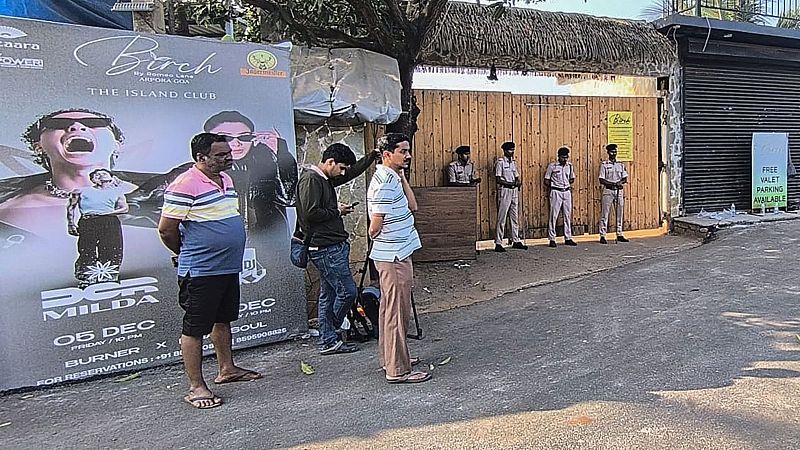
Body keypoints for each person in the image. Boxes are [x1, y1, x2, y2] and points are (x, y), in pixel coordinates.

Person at [158, 133, 262, 410]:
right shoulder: (185, 184)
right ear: (201, 157)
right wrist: (183, 252)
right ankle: (196, 387)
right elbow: (167, 229)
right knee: (195, 327)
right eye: (220, 155)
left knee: (222, 319)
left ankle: (226, 369)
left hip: (226, 267)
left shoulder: (226, 180)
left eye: (228, 153)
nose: (228, 157)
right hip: (201, 269)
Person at [296, 143, 380, 355]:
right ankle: (332, 327)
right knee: (347, 292)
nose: (342, 173)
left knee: (329, 295)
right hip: (325, 248)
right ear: (329, 162)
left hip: (331, 246)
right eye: (340, 167)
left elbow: (348, 174)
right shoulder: (311, 180)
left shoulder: (323, 179)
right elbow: (310, 213)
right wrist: (337, 210)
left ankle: (328, 341)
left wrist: (371, 156)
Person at [0, 109, 138, 236]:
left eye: (94, 123)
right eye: (58, 124)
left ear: (116, 144)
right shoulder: (10, 209)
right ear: (38, 147)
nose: (77, 127)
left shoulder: (153, 197)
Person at [367, 132, 430, 384]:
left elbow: (413, 206)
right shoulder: (384, 182)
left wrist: (402, 178)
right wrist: (378, 238)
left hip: (398, 253)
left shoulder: (391, 178)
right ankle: (397, 370)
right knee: (395, 312)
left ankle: (391, 359)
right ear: (387, 154)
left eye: (407, 150)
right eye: (402, 151)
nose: (408, 155)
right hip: (393, 256)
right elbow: (374, 226)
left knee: (391, 310)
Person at [203, 111, 297, 235]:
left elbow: (289, 199)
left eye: (244, 137)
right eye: (225, 137)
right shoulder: (193, 174)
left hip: (268, 245)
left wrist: (281, 153)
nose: (237, 143)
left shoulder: (267, 166)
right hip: (221, 245)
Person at [67, 168, 128, 288]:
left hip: (109, 221)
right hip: (88, 221)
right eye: (97, 175)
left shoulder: (117, 192)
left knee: (111, 248)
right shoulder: (81, 191)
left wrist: (106, 213)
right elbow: (71, 207)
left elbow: (124, 208)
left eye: (104, 173)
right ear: (92, 179)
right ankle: (87, 276)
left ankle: (108, 275)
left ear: (111, 177)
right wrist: (71, 223)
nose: (100, 176)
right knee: (86, 249)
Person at [494, 141, 527, 252]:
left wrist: (518, 182)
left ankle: (515, 239)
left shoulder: (513, 162)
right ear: (504, 150)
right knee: (502, 217)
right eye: (509, 150)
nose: (512, 152)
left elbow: (516, 175)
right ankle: (498, 242)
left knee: (514, 216)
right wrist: (511, 183)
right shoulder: (500, 162)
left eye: (513, 150)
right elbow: (498, 179)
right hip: (505, 190)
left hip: (514, 191)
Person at [544, 147, 577, 248]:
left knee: (567, 215)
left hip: (566, 191)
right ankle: (552, 238)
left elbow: (572, 178)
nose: (565, 159)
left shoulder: (569, 166)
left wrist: (566, 184)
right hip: (556, 191)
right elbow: (546, 180)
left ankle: (568, 237)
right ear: (558, 157)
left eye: (566, 157)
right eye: (563, 157)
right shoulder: (552, 166)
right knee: (554, 215)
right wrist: (555, 186)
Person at [599, 143, 630, 244]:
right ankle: (603, 235)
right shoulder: (604, 165)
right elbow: (602, 179)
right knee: (605, 213)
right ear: (608, 153)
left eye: (615, 151)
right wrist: (612, 183)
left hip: (619, 190)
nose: (614, 153)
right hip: (608, 190)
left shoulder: (620, 165)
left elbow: (625, 178)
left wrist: (619, 183)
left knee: (619, 212)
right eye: (612, 152)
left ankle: (619, 233)